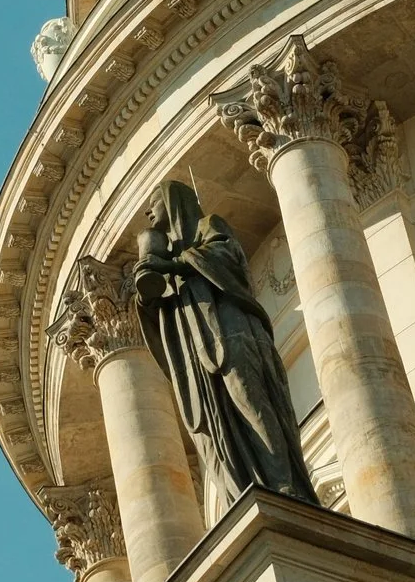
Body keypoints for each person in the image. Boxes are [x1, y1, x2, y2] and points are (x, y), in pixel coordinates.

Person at [133, 179, 318, 516]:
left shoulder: (208, 226)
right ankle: (239, 490)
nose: (148, 211)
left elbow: (226, 258)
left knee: (250, 399)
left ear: (174, 202)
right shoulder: (166, 253)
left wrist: (175, 266)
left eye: (154, 202)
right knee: (212, 422)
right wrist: (149, 293)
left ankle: (284, 482)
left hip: (230, 330)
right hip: (197, 346)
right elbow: (166, 316)